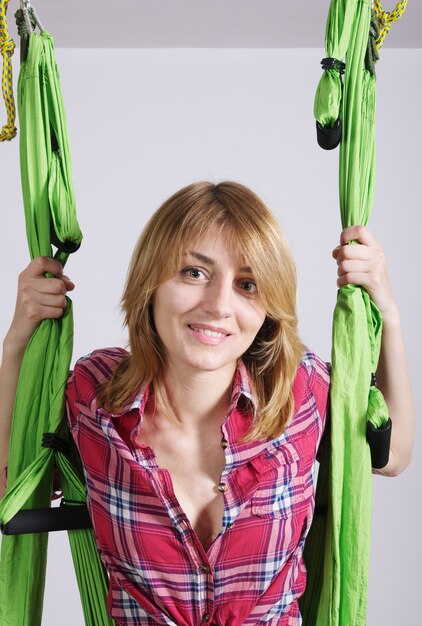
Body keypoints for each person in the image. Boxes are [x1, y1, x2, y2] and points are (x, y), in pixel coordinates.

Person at [0, 181, 415, 625]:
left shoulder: (301, 390)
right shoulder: (94, 396)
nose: (219, 305)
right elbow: (10, 480)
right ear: (150, 282)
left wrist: (387, 314)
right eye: (194, 273)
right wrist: (17, 342)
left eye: (247, 284)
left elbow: (390, 455)